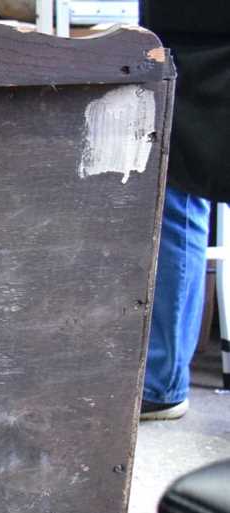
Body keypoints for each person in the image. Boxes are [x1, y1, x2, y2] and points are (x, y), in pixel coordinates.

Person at [139, 1, 230, 419]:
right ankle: (160, 381)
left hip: (188, 35)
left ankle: (161, 381)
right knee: (175, 190)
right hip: (184, 39)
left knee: (176, 194)